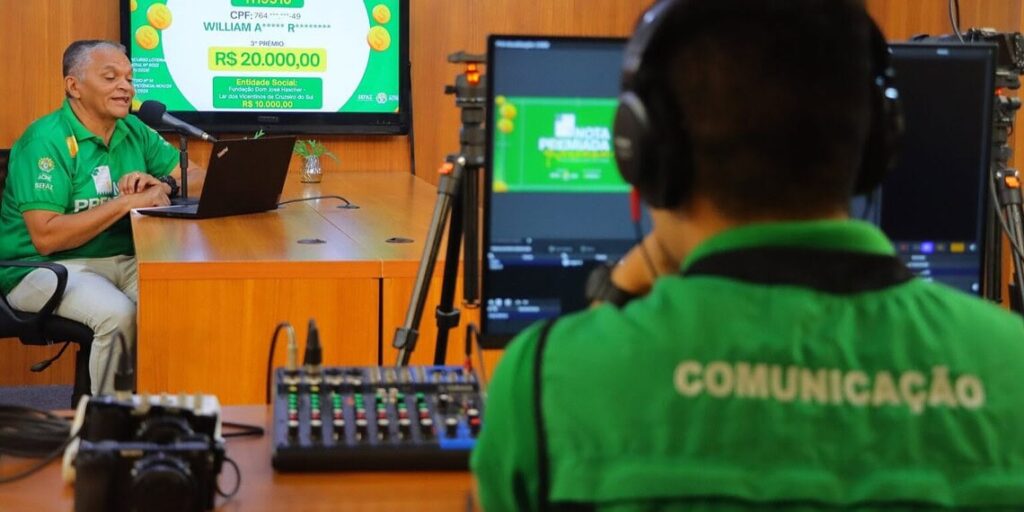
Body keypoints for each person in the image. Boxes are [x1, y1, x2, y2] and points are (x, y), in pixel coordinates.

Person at [472, 1, 1024, 510]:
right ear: (875, 146)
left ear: (646, 152)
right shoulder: (1011, 365)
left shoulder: (547, 381)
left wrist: (613, 300)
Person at [0, 40, 201, 395]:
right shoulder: (44, 140)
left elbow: (197, 175)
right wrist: (125, 204)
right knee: (117, 315)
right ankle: (106, 421)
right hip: (41, 267)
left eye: (129, 78)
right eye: (111, 78)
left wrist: (164, 183)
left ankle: (162, 409)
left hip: (123, 259)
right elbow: (47, 237)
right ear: (74, 86)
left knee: (180, 298)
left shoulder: (134, 130)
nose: (126, 87)